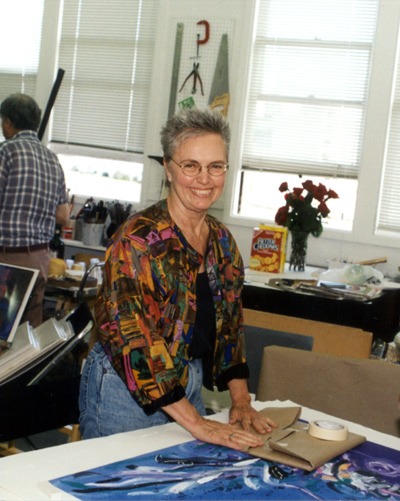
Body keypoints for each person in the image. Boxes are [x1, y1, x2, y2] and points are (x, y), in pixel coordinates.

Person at [79, 108, 277, 451]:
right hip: (123, 391)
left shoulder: (223, 241)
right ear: (169, 169)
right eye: (191, 166)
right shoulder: (136, 240)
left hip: (186, 385)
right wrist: (199, 425)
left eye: (216, 166)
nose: (205, 178)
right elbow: (134, 340)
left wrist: (241, 400)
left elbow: (230, 326)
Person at [0, 93, 69, 327]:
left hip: (8, 258)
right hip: (40, 259)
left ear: (8, 122)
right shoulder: (52, 159)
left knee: (3, 335)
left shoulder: (5, 152)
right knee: (28, 336)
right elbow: (63, 216)